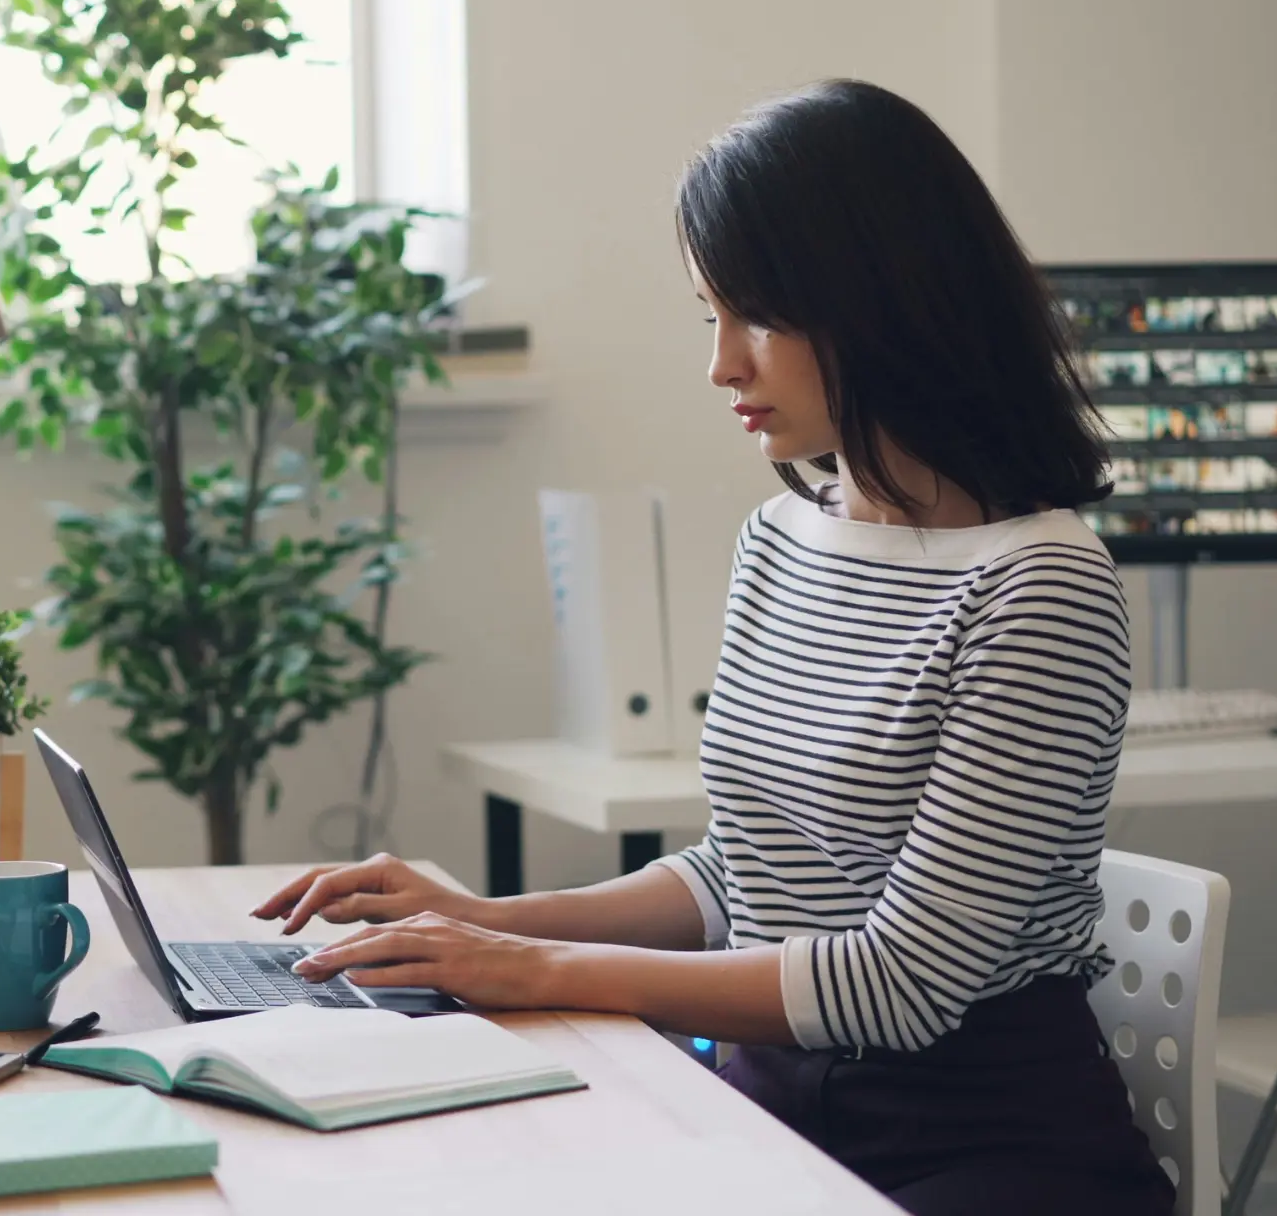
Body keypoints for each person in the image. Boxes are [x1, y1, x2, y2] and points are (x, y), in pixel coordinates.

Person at [251, 79, 1170, 1216]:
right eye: (710, 317)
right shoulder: (783, 539)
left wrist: (536, 972)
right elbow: (745, 873)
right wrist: (479, 919)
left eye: (759, 318)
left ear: (886, 301)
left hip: (975, 1143)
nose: (723, 364)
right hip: (766, 1105)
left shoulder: (1041, 583)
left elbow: (905, 980)